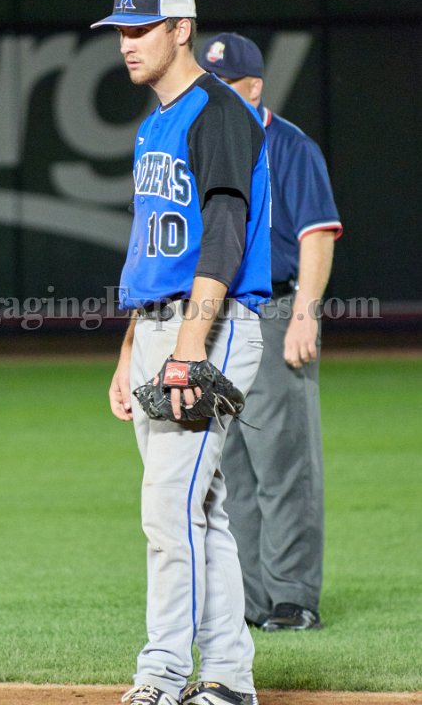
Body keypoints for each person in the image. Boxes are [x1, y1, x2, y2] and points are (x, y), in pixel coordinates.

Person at [91, 0, 271, 705]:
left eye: (141, 28)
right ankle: (228, 678)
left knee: (168, 509)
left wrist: (190, 344)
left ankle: (161, 674)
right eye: (121, 31)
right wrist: (129, 351)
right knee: (200, 510)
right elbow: (154, 248)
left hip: (209, 327)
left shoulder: (218, 111)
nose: (127, 43)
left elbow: (225, 230)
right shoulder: (154, 124)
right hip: (160, 327)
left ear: (181, 29)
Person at [199, 32, 343, 631]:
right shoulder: (206, 142)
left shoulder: (290, 145)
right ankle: (251, 600)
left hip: (277, 309)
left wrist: (306, 310)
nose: (214, 93)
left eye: (226, 84)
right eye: (209, 83)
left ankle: (292, 598)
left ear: (254, 87)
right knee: (229, 465)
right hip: (215, 314)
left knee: (283, 462)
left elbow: (317, 232)